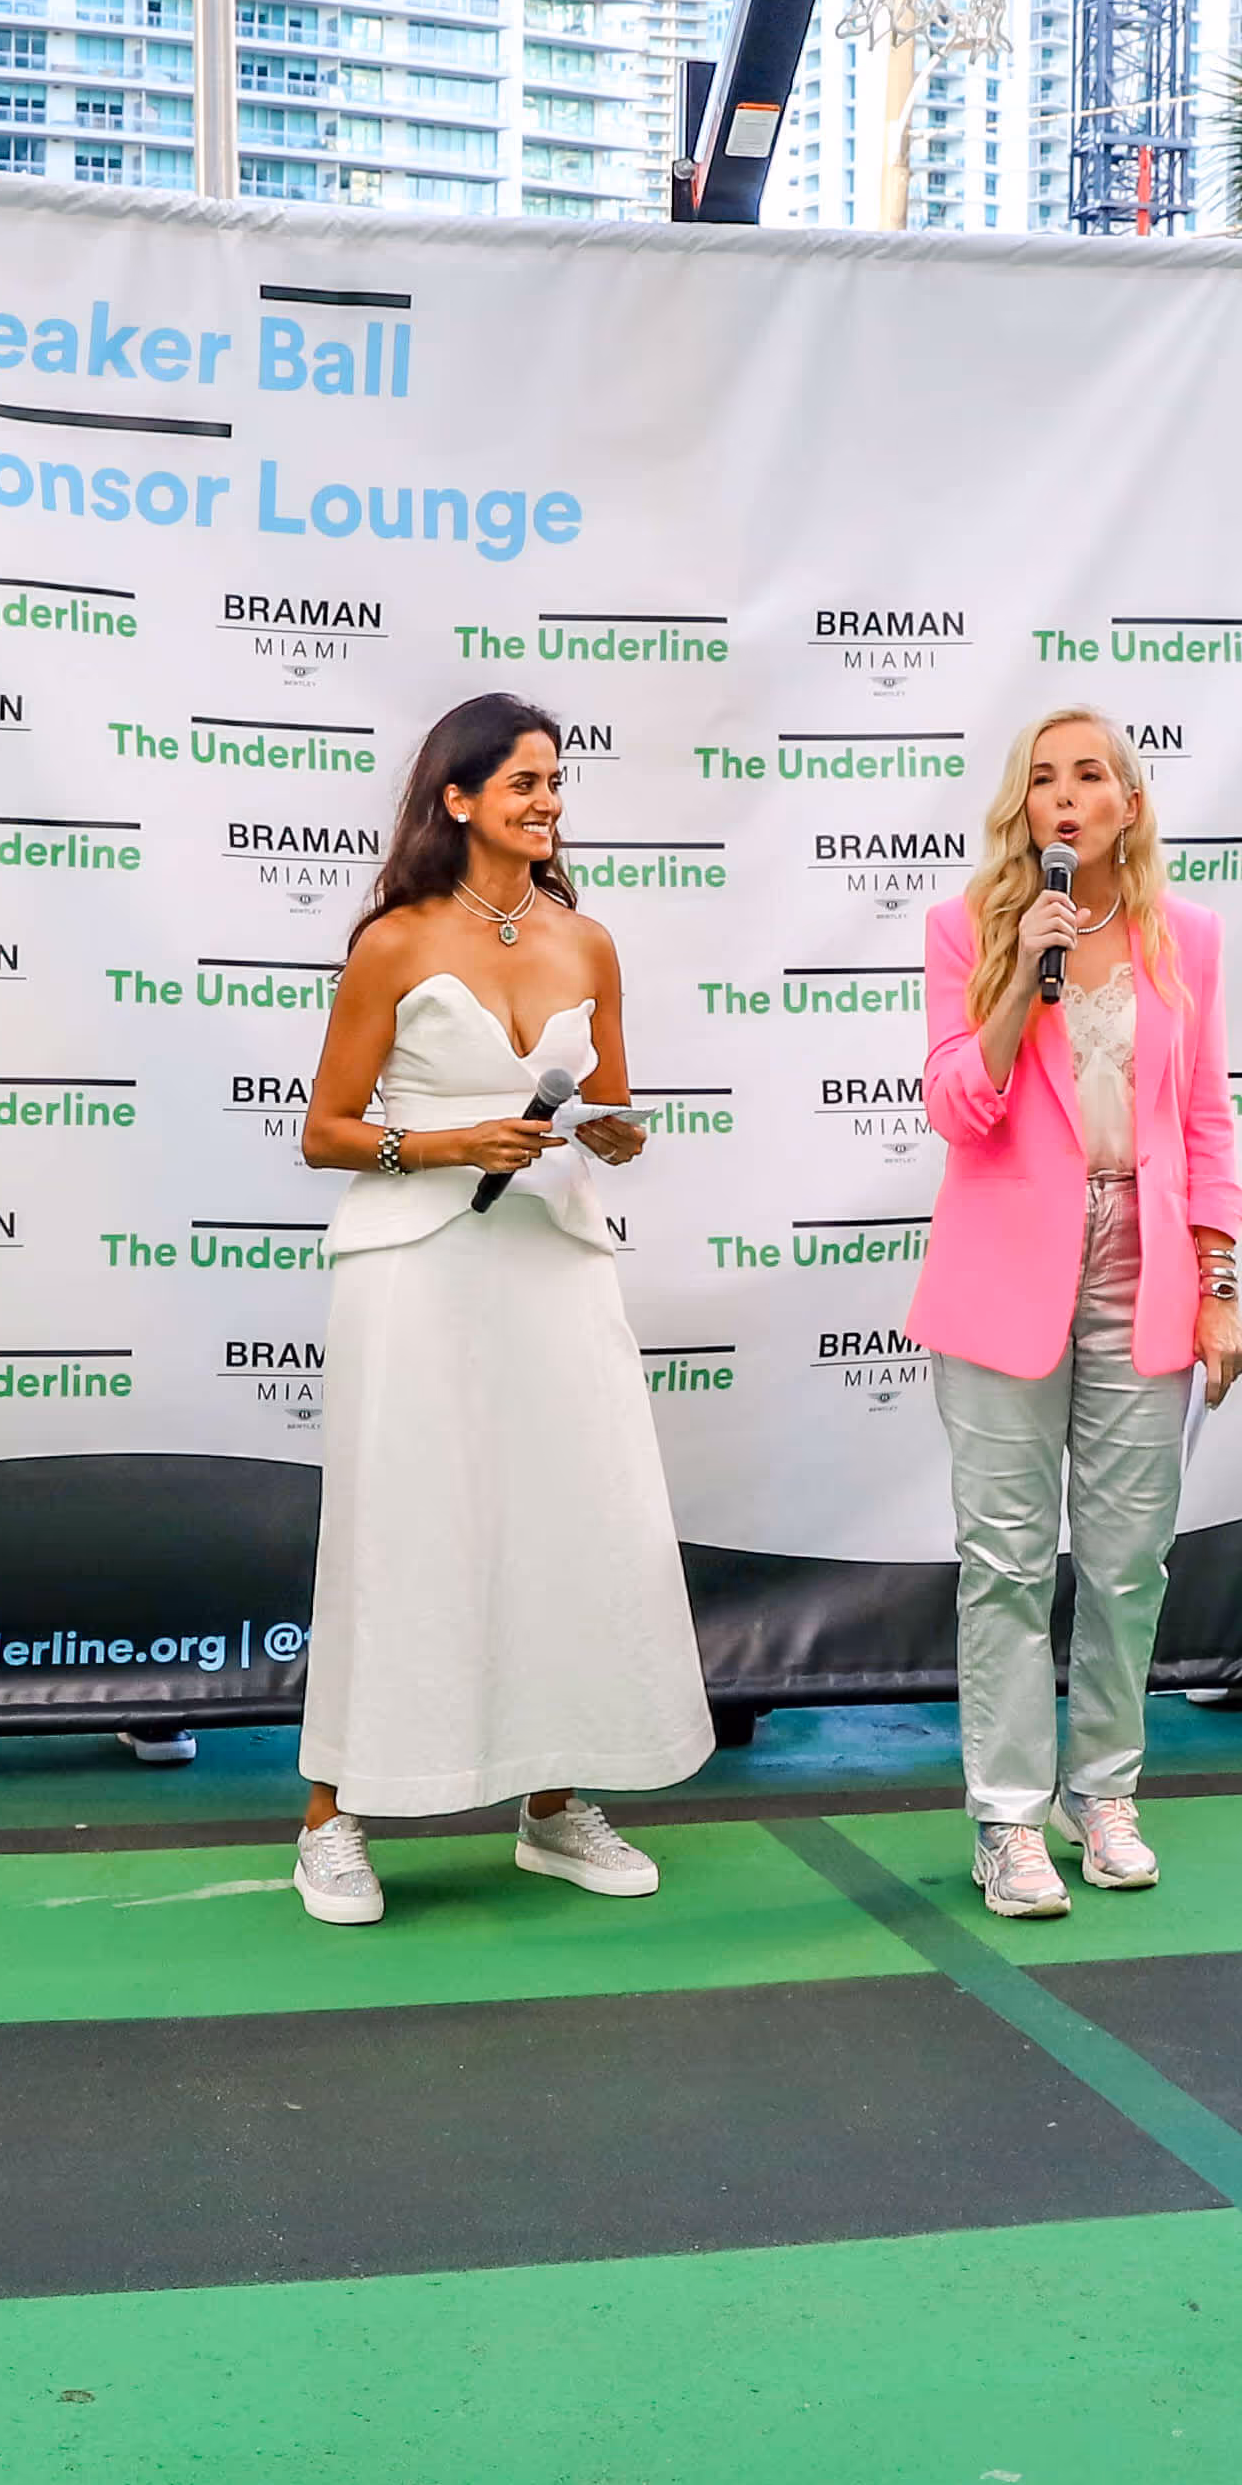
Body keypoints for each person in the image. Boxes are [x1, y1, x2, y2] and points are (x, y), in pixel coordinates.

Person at [285, 693, 710, 1922]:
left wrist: (613, 1135)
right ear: (457, 796)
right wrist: (447, 1141)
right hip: (418, 1267)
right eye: (524, 781)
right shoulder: (396, 943)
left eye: (557, 782)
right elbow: (326, 1131)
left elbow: (605, 1111)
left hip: (553, 1259)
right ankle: (331, 1818)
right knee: (400, 1526)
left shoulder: (589, 943)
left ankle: (553, 1804)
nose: (548, 801)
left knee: (576, 1520)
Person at [910, 705, 1242, 1918]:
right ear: (1024, 807)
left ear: (1128, 803)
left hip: (1142, 1263)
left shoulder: (1189, 938)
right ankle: (1007, 1816)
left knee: (1126, 1561)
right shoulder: (970, 928)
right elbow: (958, 1106)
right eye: (1043, 778)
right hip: (1005, 1272)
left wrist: (1219, 1286)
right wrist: (1017, 980)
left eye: (1090, 775)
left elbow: (1205, 1123)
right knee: (1002, 1561)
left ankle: (1100, 1791)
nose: (1066, 795)